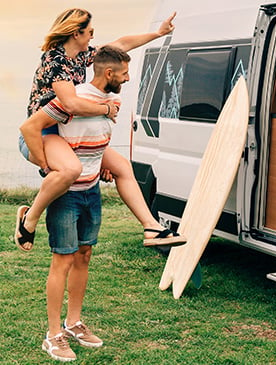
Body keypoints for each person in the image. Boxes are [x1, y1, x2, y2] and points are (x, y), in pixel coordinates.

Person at [15, 8, 184, 251]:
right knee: (71, 168)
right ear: (76, 33)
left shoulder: (81, 56)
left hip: (65, 133)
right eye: (90, 32)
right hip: (42, 134)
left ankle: (152, 227)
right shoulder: (56, 61)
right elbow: (71, 104)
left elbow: (121, 45)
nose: (93, 37)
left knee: (122, 167)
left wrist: (158, 33)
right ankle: (29, 219)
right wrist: (105, 110)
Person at [21, 46, 128, 362]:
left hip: (91, 192)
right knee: (63, 260)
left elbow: (96, 141)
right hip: (67, 195)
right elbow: (33, 128)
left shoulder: (112, 102)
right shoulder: (71, 101)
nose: (128, 78)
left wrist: (102, 163)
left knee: (84, 255)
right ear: (109, 73)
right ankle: (52, 335)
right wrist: (46, 167)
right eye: (124, 72)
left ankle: (73, 323)